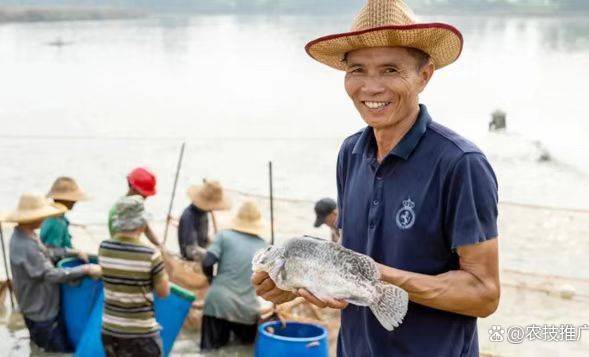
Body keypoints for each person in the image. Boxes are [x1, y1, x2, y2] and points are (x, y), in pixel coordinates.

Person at [253, 1, 500, 356]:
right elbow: (350, 257)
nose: (371, 87)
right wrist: (300, 283)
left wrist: (375, 278)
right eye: (357, 70)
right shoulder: (351, 152)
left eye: (390, 70)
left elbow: (484, 294)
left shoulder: (460, 163)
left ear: (424, 76)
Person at [3, 193, 101, 353]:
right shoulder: (25, 245)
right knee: (55, 351)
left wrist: (72, 252)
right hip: (41, 313)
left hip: (33, 307)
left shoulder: (26, 235)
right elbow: (50, 274)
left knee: (41, 347)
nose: (44, 218)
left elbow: (47, 252)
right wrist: (86, 269)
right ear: (31, 218)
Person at [99, 195, 170, 357]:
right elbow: (164, 292)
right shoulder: (151, 254)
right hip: (141, 335)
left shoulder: (104, 248)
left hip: (110, 331)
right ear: (142, 223)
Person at [200, 200, 268, 350]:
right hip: (248, 310)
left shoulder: (224, 236)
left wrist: (212, 280)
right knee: (243, 350)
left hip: (218, 303)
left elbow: (207, 262)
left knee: (210, 352)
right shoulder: (265, 246)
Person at [108, 167, 162, 247]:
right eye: (144, 195)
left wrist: (160, 246)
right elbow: (121, 241)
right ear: (133, 189)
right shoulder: (118, 211)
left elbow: (146, 229)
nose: (145, 198)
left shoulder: (136, 206)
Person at [178, 179, 230, 261]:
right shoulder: (189, 216)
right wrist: (213, 256)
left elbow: (204, 239)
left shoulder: (203, 213)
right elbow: (190, 250)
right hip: (192, 265)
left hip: (202, 261)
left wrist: (216, 246)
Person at [40, 177, 90, 261]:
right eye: (73, 199)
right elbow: (51, 252)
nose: (75, 201)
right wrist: (76, 253)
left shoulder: (57, 216)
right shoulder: (56, 222)